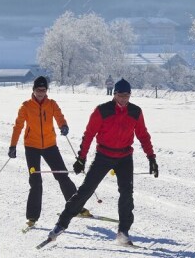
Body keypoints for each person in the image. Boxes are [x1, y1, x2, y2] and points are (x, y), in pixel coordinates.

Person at [48, 78, 158, 246]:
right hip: (104, 156)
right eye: (120, 95)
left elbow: (143, 135)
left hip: (124, 157)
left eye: (127, 96)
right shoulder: (102, 111)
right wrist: (81, 158)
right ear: (114, 95)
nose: (123, 99)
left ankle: (123, 232)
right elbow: (89, 134)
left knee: (127, 193)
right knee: (86, 190)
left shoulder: (135, 111)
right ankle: (60, 225)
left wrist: (151, 158)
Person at [8, 76, 90, 227]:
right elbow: (18, 126)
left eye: (43, 90)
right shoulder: (26, 106)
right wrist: (13, 146)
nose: (40, 92)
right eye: (38, 90)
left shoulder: (51, 104)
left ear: (47, 91)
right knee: (35, 181)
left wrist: (63, 125)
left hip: (50, 145)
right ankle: (32, 216)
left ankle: (76, 207)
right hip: (31, 147)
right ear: (33, 90)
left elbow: (59, 116)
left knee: (62, 176)